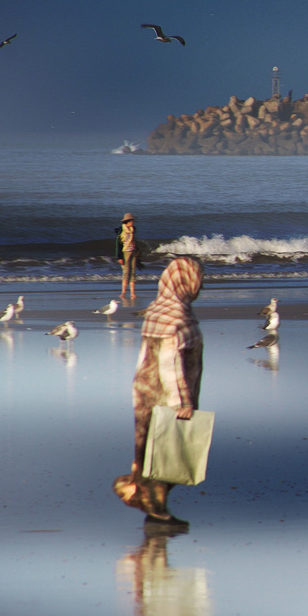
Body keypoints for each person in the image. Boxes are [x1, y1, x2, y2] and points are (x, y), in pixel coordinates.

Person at [113, 256, 204, 524]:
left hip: (144, 390)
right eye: (198, 279)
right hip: (167, 395)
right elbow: (170, 362)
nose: (200, 285)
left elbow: (144, 356)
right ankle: (156, 514)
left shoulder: (158, 309)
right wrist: (183, 402)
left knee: (150, 455)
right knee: (168, 458)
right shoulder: (177, 316)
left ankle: (135, 489)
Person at [115, 212, 140, 301]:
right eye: (131, 221)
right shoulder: (121, 231)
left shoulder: (133, 230)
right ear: (127, 221)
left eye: (133, 220)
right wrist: (120, 257)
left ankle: (133, 293)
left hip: (133, 251)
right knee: (126, 272)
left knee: (133, 271)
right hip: (125, 252)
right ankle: (123, 292)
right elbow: (118, 245)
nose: (132, 222)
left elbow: (135, 242)